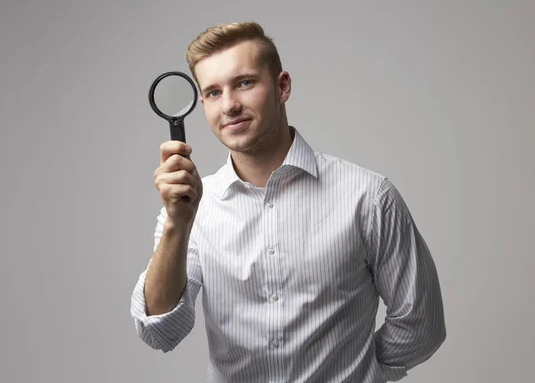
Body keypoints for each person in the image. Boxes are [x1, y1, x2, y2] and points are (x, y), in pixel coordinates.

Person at [130, 21, 446, 382]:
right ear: (202, 103)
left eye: (245, 83)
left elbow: (421, 324)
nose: (230, 105)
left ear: (282, 87)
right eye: (214, 93)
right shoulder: (189, 213)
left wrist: (361, 373)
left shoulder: (368, 197)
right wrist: (177, 222)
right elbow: (160, 330)